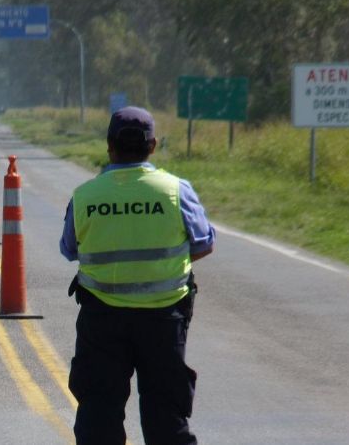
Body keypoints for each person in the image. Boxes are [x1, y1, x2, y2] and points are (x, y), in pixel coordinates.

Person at [60, 106, 215, 445]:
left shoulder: (86, 195)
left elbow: (70, 249)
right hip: (164, 318)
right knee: (165, 417)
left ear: (109, 146)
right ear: (153, 145)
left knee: (98, 415)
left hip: (102, 319)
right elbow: (204, 243)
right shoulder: (176, 191)